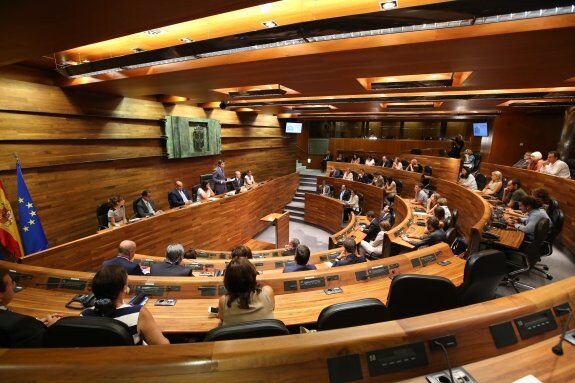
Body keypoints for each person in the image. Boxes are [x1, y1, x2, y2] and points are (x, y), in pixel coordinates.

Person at [81, 265, 169, 345]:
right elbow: (163, 346)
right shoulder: (138, 313)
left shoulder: (84, 315)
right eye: (127, 284)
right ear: (124, 290)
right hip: (130, 361)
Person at [0, 268, 62, 348]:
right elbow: (45, 345)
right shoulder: (19, 324)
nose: (14, 286)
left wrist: (36, 324)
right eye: (11, 283)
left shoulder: (23, 324)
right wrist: (53, 328)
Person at [218, 257, 274, 326]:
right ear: (253, 275)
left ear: (228, 280)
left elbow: (221, 318)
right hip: (266, 336)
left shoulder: (223, 301)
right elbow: (271, 308)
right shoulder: (268, 292)